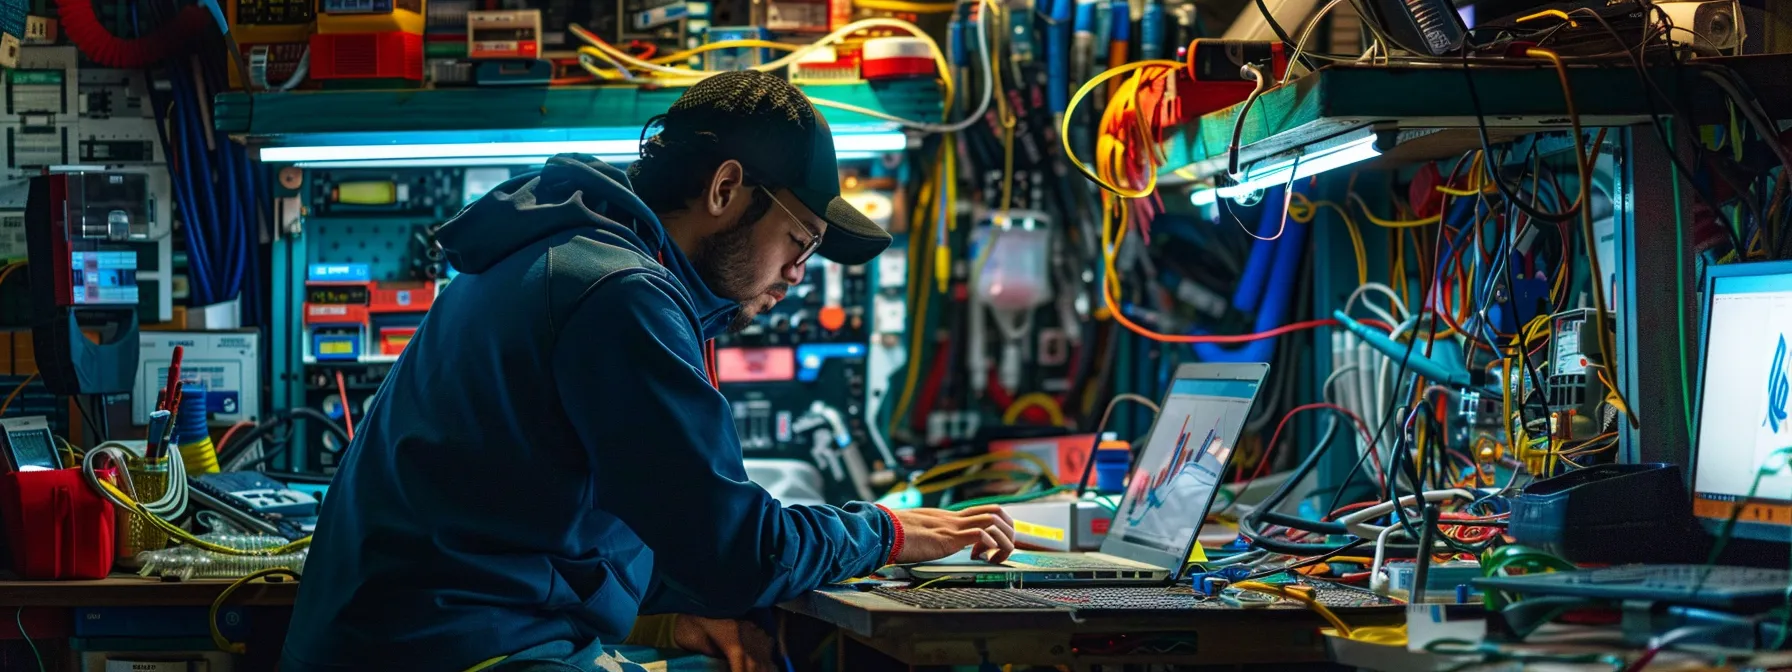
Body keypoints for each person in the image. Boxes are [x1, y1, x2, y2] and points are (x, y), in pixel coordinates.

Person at [280, 71, 1018, 672]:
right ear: (727, 190)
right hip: (452, 650)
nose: (800, 271)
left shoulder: (564, 254)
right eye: (799, 238)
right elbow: (737, 554)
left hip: (417, 637)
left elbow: (578, 524)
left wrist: (664, 620)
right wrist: (885, 532)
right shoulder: (619, 294)